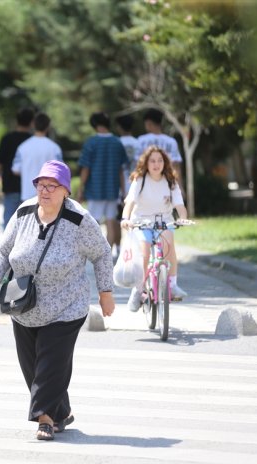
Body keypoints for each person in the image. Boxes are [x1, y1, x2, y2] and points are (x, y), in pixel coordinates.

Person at [0, 160, 115, 441]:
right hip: (24, 304)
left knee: (51, 363)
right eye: (41, 185)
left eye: (52, 186)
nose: (45, 191)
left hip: (66, 305)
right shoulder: (24, 211)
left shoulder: (79, 220)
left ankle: (45, 419)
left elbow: (101, 253)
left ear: (66, 191)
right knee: (32, 366)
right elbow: (2, 251)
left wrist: (106, 292)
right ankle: (61, 410)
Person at [121, 146, 189, 312]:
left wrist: (183, 218)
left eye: (160, 160)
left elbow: (180, 205)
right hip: (141, 222)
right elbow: (129, 203)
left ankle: (171, 285)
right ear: (146, 163)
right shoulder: (140, 179)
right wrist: (125, 219)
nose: (156, 164)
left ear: (165, 163)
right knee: (144, 254)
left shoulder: (170, 181)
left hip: (163, 221)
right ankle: (138, 290)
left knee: (168, 246)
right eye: (152, 161)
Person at [76, 111, 128, 254]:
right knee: (111, 221)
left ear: (95, 125)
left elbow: (85, 168)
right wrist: (124, 191)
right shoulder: (117, 142)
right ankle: (107, 253)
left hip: (95, 190)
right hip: (112, 188)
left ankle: (94, 253)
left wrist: (80, 188)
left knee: (93, 223)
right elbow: (121, 170)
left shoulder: (91, 142)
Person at [0, 107, 34, 228]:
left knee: (9, 220)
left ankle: (7, 246)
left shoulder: (7, 138)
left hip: (10, 185)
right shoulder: (32, 140)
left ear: (17, 121)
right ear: (32, 122)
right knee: (28, 222)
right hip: (30, 187)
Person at [12, 113, 63, 203]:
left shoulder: (23, 147)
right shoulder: (54, 148)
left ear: (33, 125)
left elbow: (16, 170)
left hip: (28, 194)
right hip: (49, 194)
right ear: (48, 126)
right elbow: (60, 171)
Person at [135, 109, 185, 195]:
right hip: (166, 186)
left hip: (146, 187)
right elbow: (176, 167)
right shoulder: (171, 141)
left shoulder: (141, 141)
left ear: (148, 123)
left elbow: (137, 166)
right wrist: (180, 188)